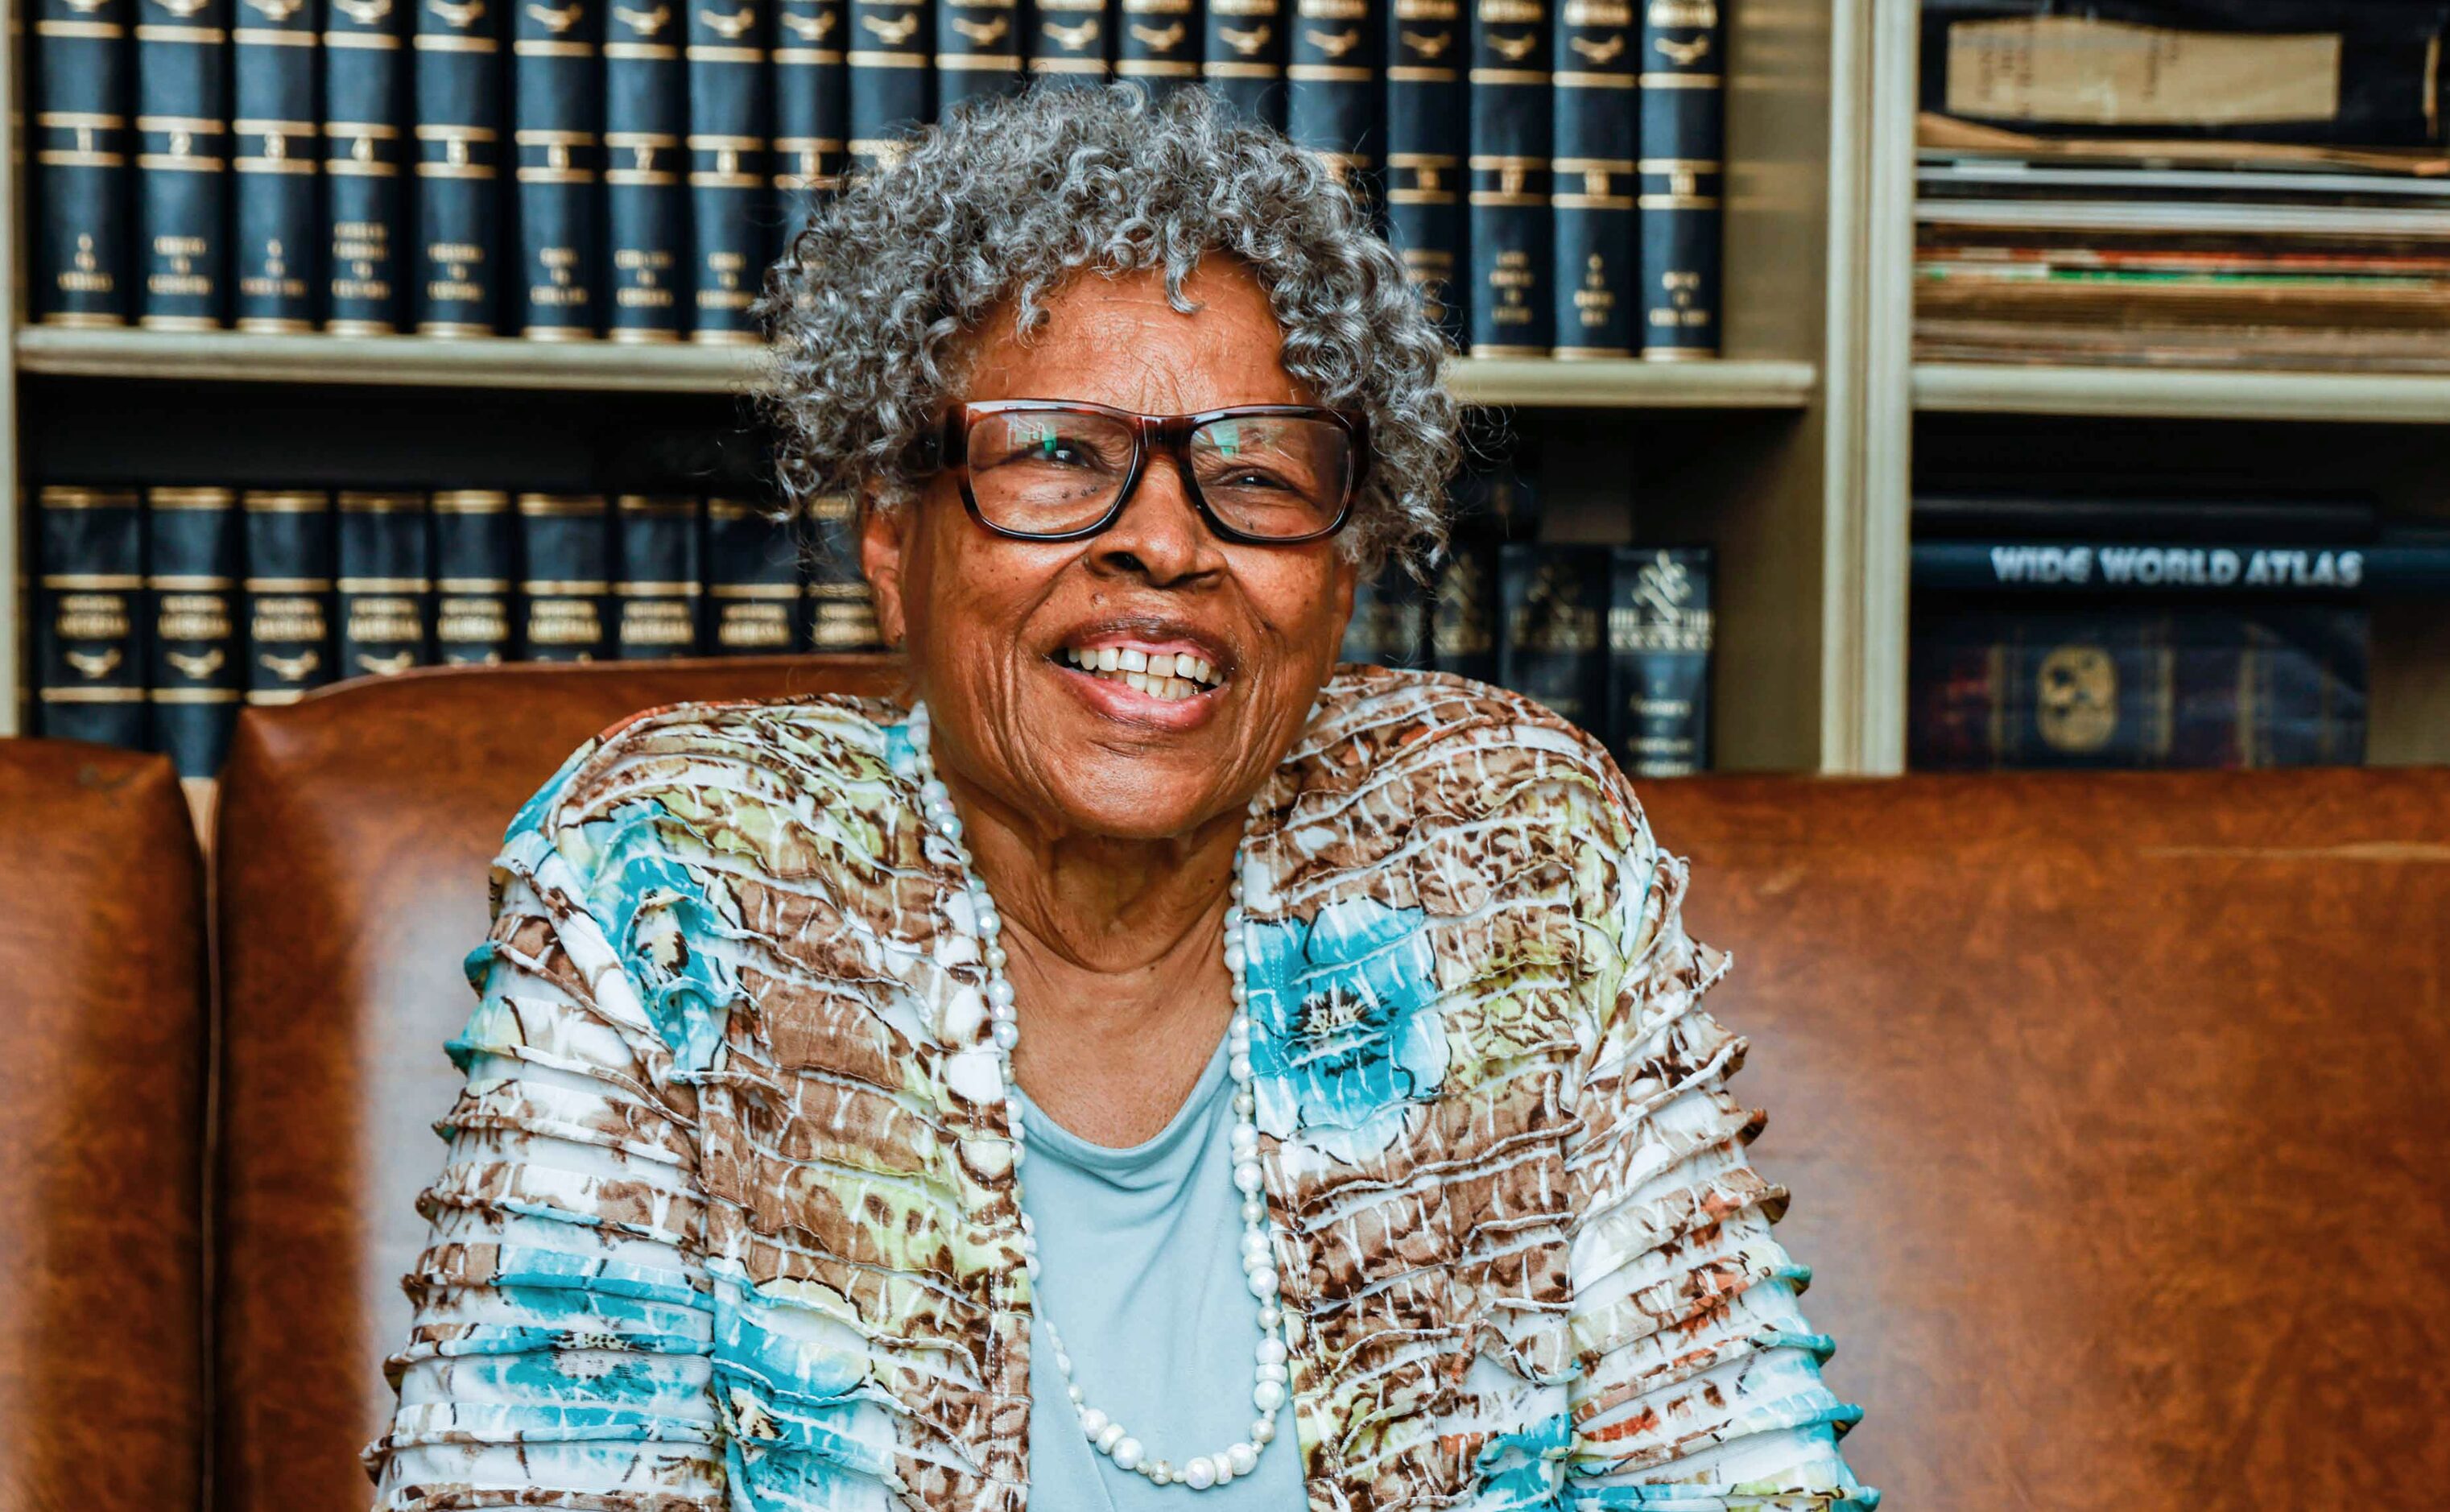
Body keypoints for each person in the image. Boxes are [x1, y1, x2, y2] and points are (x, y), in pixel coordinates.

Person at [366, 82, 1878, 1511]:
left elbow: (1737, 1470)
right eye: (1057, 457)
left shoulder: (1518, 866)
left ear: (1342, 571)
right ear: (894, 538)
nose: (1165, 540)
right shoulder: (673, 890)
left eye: (1261, 472)